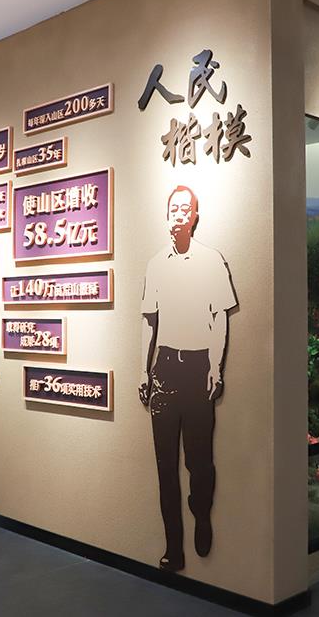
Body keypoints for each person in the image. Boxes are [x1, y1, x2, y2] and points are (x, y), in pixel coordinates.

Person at [139, 185, 237, 572]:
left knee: (199, 462)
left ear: (195, 217)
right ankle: (173, 548)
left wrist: (216, 366)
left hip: (198, 368)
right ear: (167, 216)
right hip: (164, 367)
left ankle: (201, 513)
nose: (179, 214)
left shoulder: (212, 260)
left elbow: (220, 317)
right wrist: (143, 369)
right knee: (165, 466)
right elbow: (149, 321)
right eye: (173, 208)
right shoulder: (155, 264)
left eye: (186, 209)